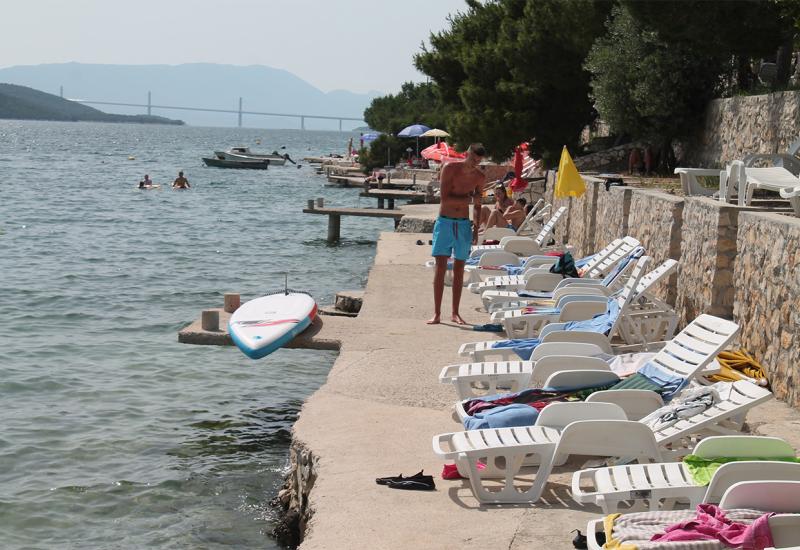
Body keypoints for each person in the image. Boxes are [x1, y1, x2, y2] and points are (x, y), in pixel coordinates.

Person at [428, 143, 487, 325]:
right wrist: (470, 199)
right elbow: (445, 198)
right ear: (466, 154)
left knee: (460, 269)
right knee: (441, 267)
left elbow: (478, 206)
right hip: (445, 221)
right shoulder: (450, 168)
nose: (474, 163)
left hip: (463, 224)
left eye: (478, 161)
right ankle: (437, 313)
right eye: (473, 159)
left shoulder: (479, 176)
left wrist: (476, 227)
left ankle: (455, 312)